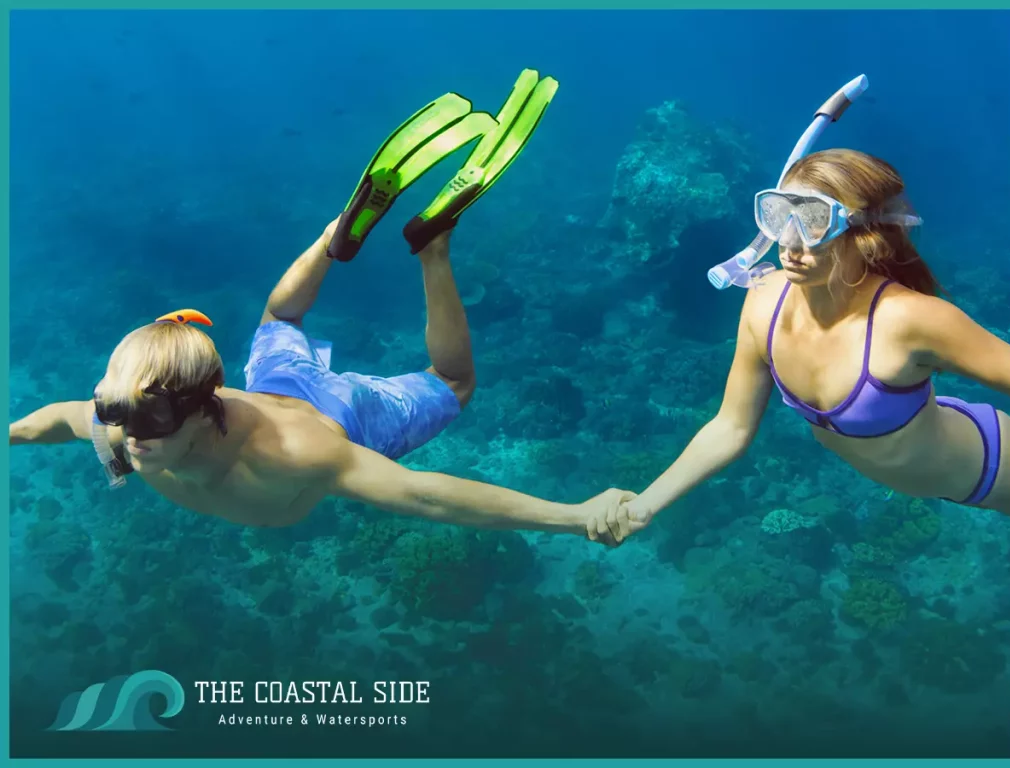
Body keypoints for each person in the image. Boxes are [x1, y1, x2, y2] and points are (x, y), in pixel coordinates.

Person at [9, 71, 634, 544]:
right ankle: (335, 235)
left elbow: (428, 497)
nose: (128, 435)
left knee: (455, 383)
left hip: (334, 412)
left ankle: (432, 249)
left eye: (148, 419)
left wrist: (575, 517)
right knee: (278, 322)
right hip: (278, 383)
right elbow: (53, 422)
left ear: (204, 410)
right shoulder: (124, 419)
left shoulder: (297, 455)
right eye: (114, 409)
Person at [589, 148, 1010, 546]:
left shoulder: (910, 320)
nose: (790, 243)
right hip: (935, 461)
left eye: (813, 221)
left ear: (865, 232)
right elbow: (731, 427)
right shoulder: (762, 301)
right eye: (777, 215)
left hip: (992, 468)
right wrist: (644, 505)